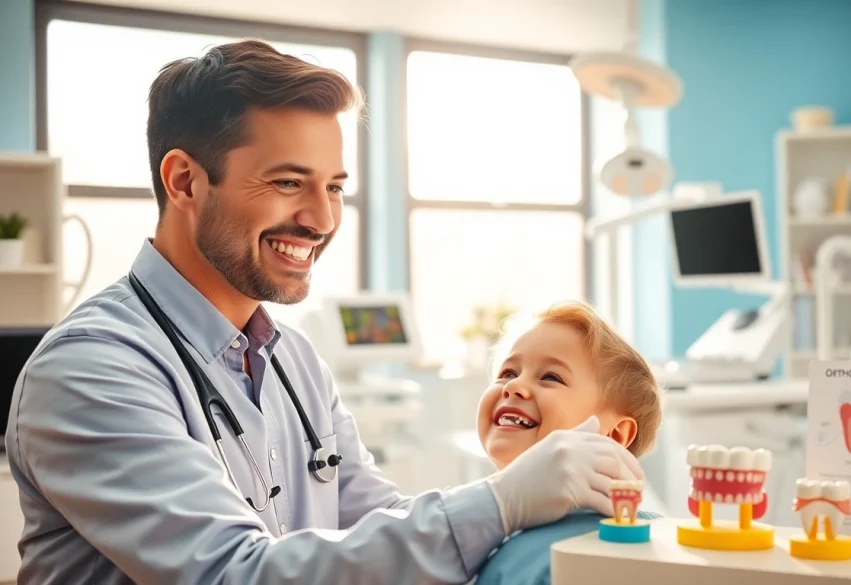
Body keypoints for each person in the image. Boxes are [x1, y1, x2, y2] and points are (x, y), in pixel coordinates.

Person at [2, 39, 644, 585]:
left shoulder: (292, 359)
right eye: (288, 183)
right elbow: (234, 574)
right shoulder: (91, 370)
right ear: (184, 181)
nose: (321, 219)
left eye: (333, 187)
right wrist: (501, 503)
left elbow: (373, 522)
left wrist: (523, 505)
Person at [472, 301, 664, 585]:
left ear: (614, 436)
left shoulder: (597, 558)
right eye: (508, 373)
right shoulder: (479, 530)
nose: (512, 386)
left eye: (551, 377)